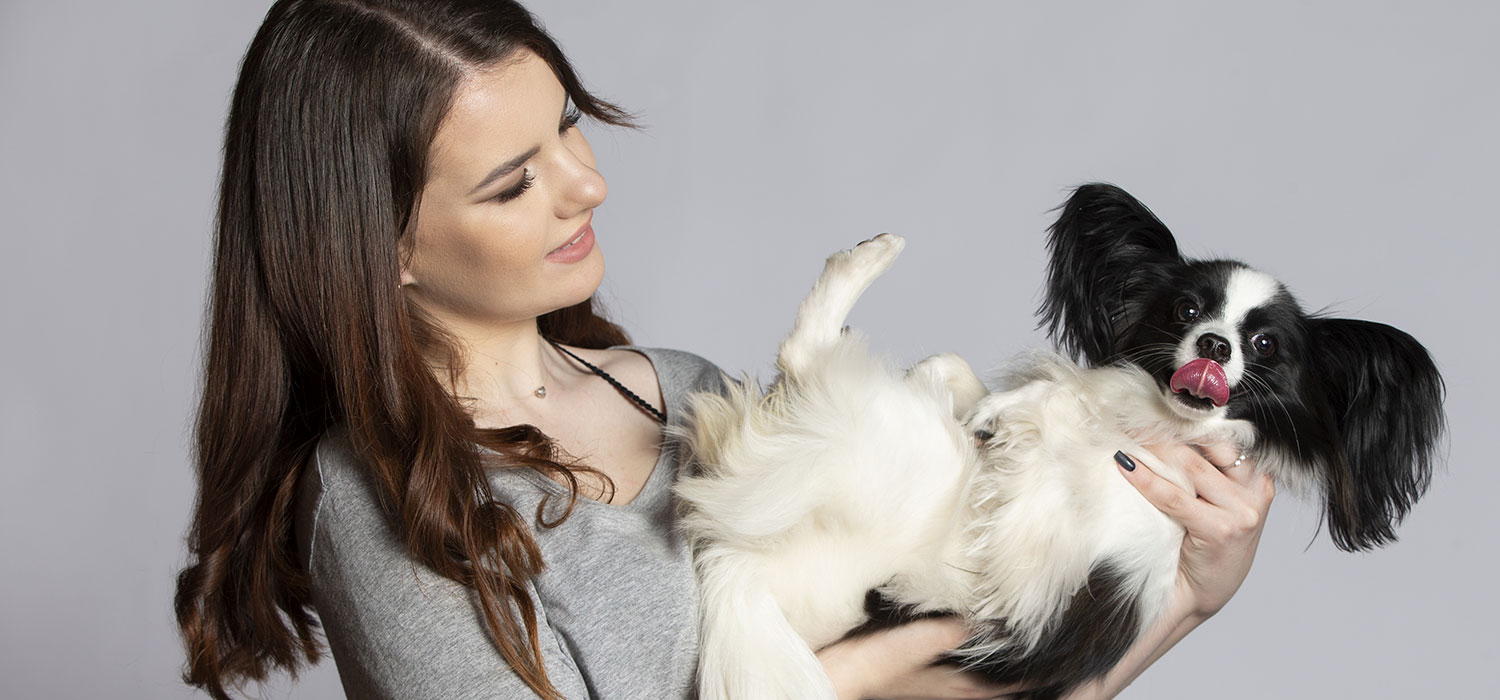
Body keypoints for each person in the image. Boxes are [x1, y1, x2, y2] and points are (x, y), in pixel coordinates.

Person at [173, 1, 1275, 699]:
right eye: (514, 180)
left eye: (567, 122)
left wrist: (1186, 593)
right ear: (383, 247)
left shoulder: (688, 390)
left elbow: (1005, 681)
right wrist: (842, 684)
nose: (587, 182)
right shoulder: (387, 500)